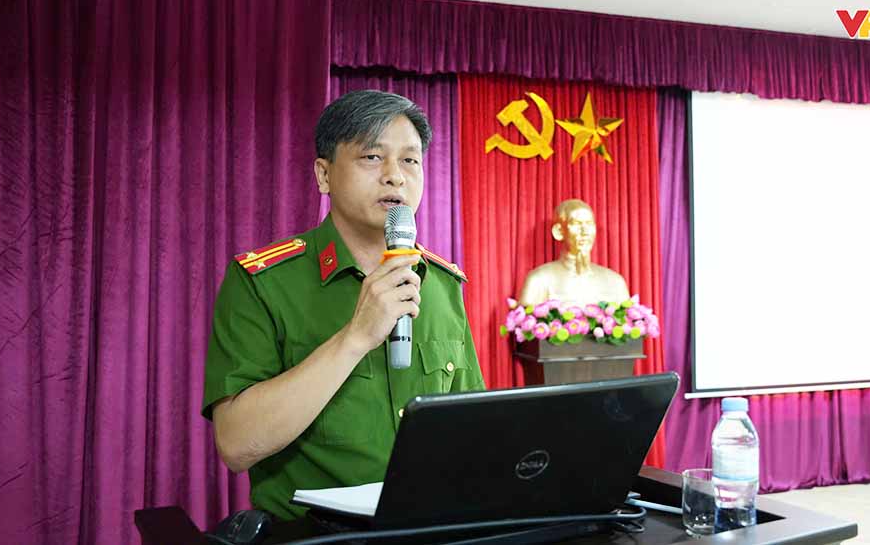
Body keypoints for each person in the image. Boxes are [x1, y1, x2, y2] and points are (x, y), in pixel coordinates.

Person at [201, 90, 486, 520]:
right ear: (324, 174)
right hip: (314, 533)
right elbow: (237, 445)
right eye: (372, 157)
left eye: (410, 160)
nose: (395, 177)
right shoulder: (264, 282)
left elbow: (473, 431)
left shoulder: (442, 284)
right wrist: (355, 337)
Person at [517, 199, 630, 307]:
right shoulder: (540, 280)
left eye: (589, 223)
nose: (585, 231)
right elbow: (526, 318)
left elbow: (627, 319)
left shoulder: (615, 282)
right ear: (559, 231)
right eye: (576, 223)